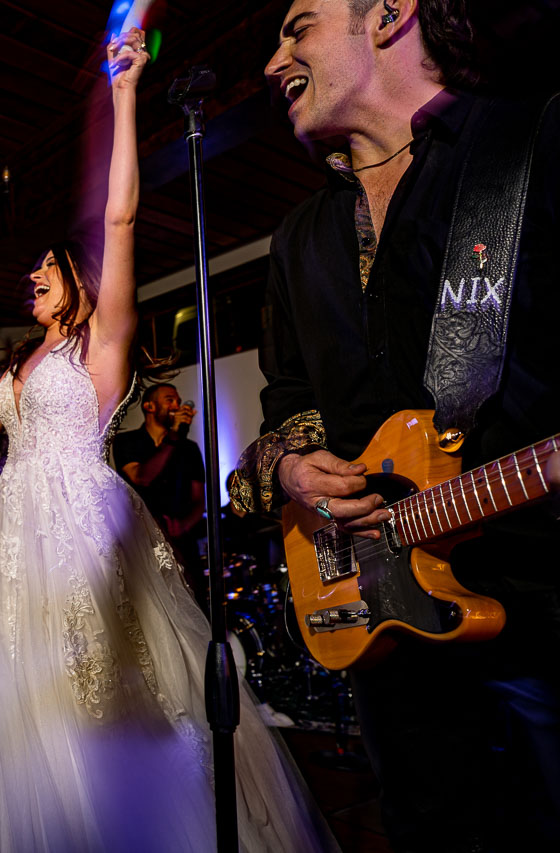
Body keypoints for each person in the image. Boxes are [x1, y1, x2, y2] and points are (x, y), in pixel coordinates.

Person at [0, 28, 334, 852]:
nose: (32, 276)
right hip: (14, 543)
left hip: (78, 526)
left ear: (77, 273)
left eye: (46, 266)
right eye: (30, 271)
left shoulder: (100, 344)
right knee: (23, 708)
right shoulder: (19, 357)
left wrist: (123, 93)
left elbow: (121, 213)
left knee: (99, 695)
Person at [229, 0, 560, 847]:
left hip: (545, 603)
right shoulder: (299, 238)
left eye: (298, 27)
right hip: (386, 619)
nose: (272, 63)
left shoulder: (532, 141)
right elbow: (288, 399)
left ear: (387, 12)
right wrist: (293, 466)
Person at [113, 382, 206, 595]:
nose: (176, 406)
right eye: (169, 400)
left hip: (182, 544)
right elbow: (141, 477)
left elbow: (199, 499)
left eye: (178, 402)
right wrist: (173, 438)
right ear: (150, 406)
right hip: (141, 543)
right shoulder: (126, 441)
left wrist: (183, 525)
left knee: (193, 597)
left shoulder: (189, 449)